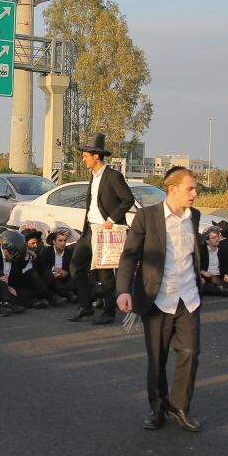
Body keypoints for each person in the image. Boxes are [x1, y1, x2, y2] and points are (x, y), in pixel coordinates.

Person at [115, 166, 204, 433]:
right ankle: (157, 407)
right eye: (190, 188)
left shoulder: (194, 216)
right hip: (157, 298)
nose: (195, 193)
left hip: (188, 297)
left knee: (190, 352)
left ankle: (179, 407)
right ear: (173, 189)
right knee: (157, 357)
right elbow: (130, 254)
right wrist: (123, 290)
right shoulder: (147, 217)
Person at [68, 133, 135, 326]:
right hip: (89, 231)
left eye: (86, 155)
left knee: (105, 275)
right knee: (75, 267)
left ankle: (108, 312)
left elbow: (128, 200)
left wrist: (112, 218)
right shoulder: (93, 176)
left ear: (96, 156)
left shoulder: (113, 176)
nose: (83, 158)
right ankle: (86, 306)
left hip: (106, 232)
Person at [198, 228, 228, 297]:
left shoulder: (221, 251)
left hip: (219, 277)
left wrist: (226, 276)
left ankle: (222, 288)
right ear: (207, 241)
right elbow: (195, 264)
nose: (217, 239)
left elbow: (224, 267)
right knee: (200, 286)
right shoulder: (202, 250)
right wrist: (202, 273)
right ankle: (223, 290)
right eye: (214, 237)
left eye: (218, 236)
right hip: (206, 277)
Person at [39, 228, 74, 301]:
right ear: (54, 242)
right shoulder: (47, 251)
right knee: (49, 277)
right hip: (51, 277)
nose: (63, 243)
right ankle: (69, 295)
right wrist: (53, 271)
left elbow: (71, 268)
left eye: (65, 240)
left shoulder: (69, 252)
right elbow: (43, 266)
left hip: (64, 278)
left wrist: (66, 273)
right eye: (60, 240)